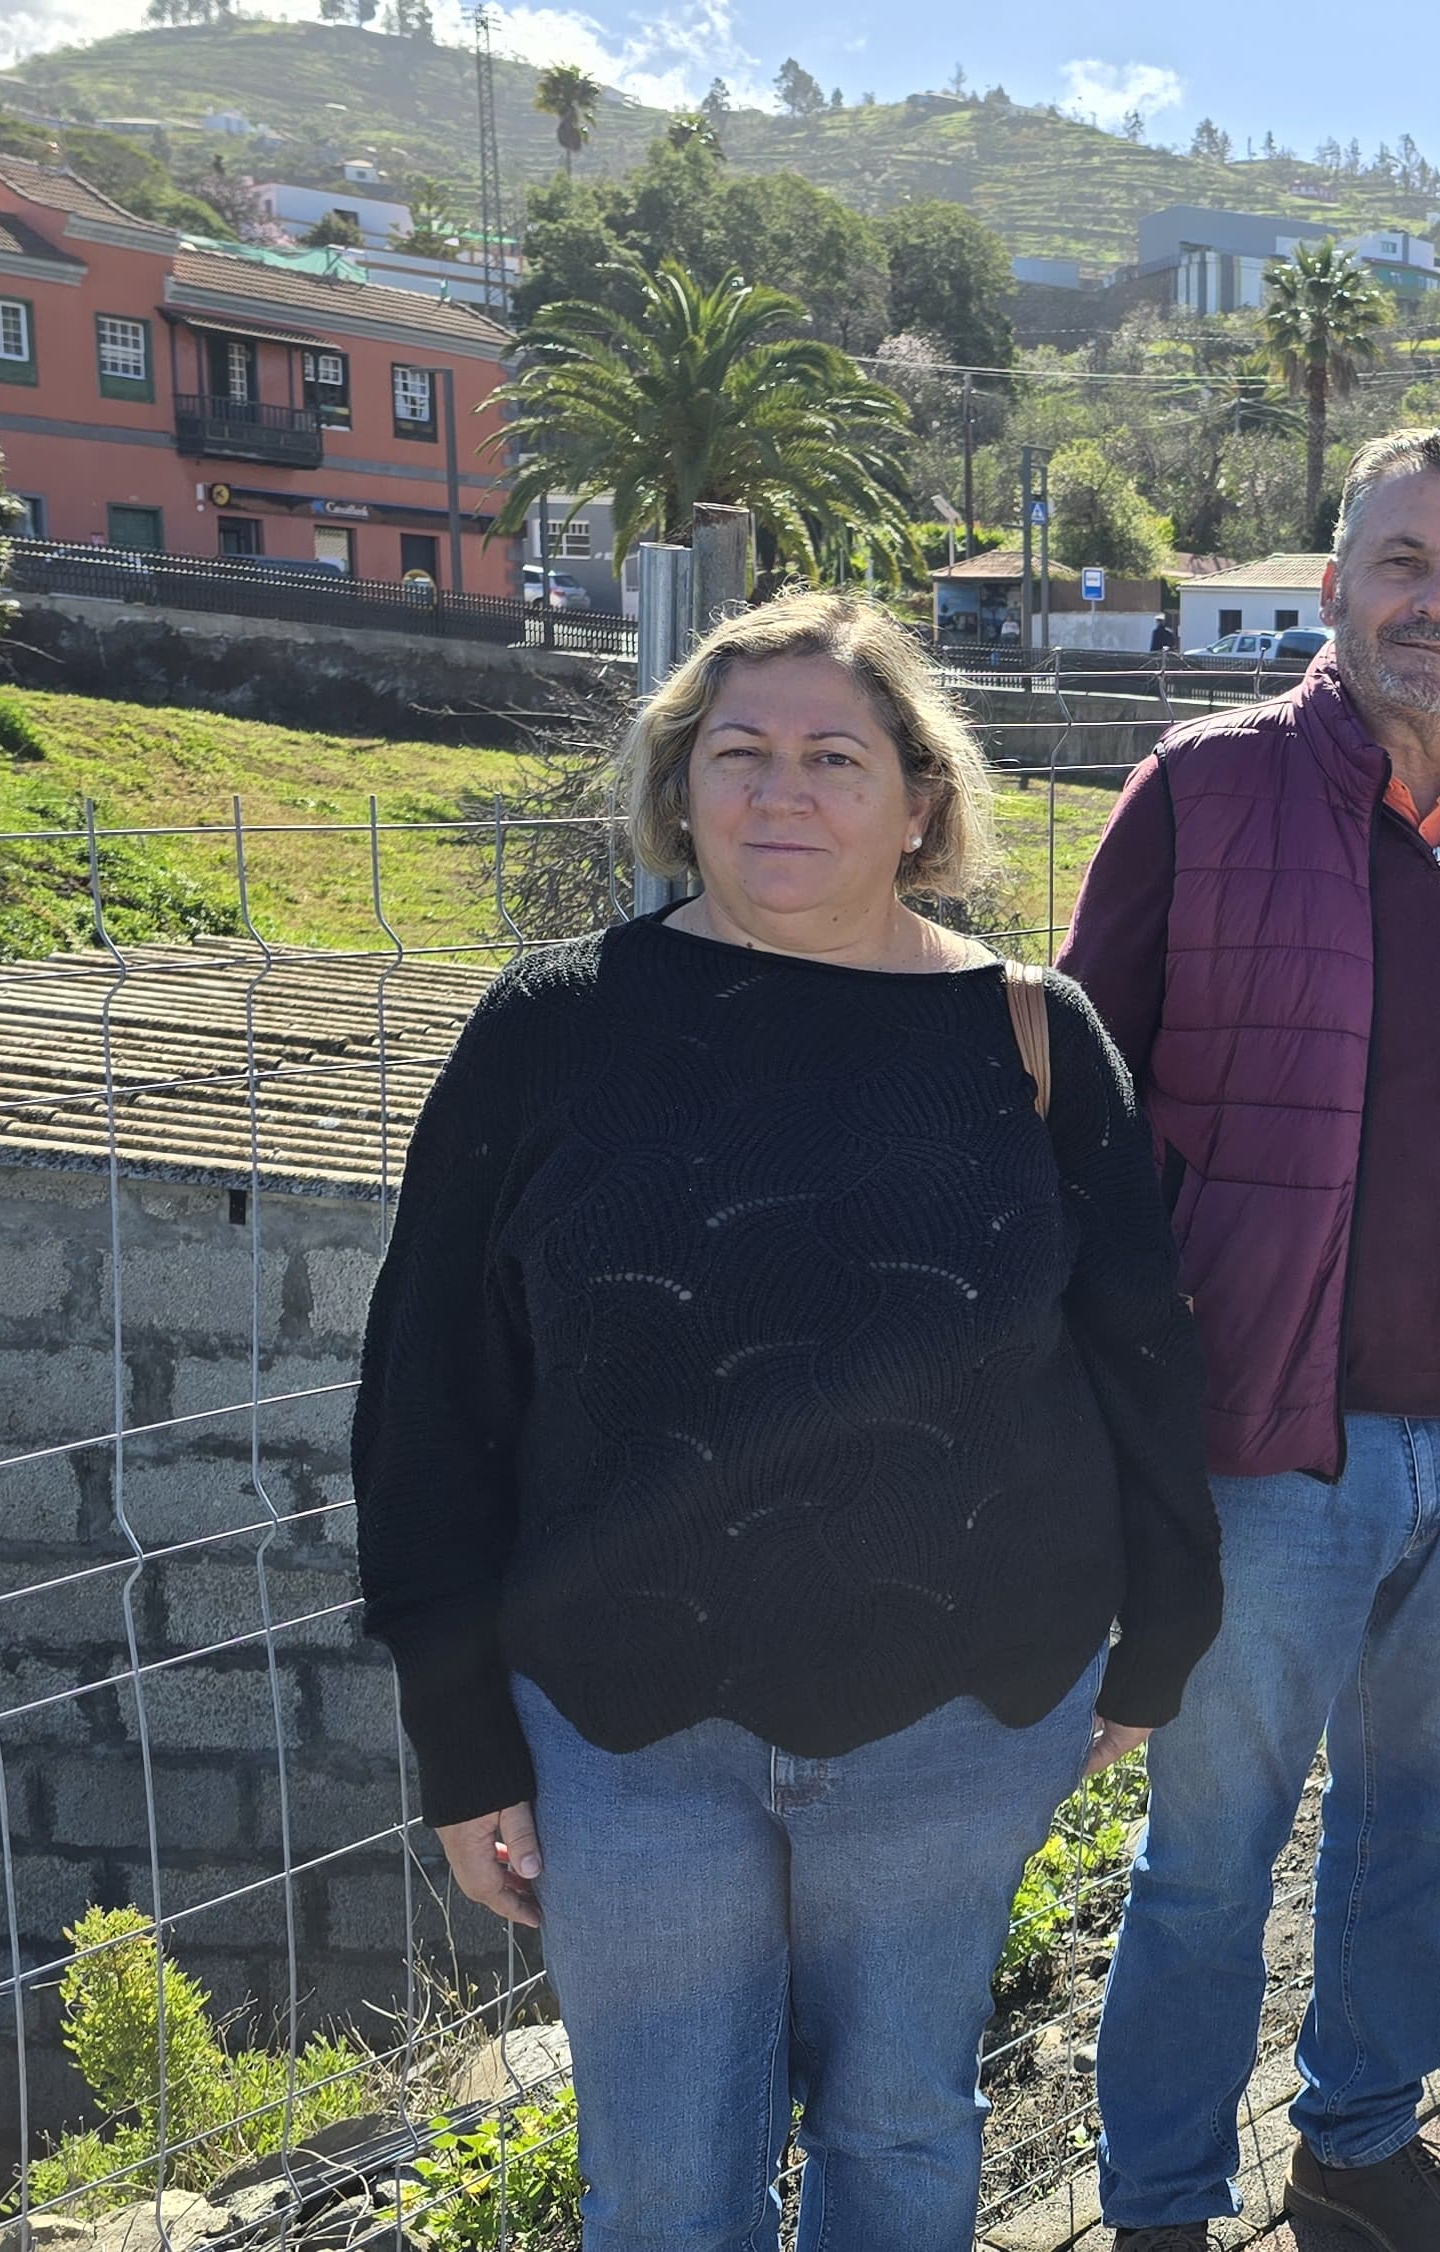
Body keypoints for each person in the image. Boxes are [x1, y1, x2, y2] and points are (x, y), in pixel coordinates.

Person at [351, 593, 1218, 2252]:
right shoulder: (551, 1031)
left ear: (921, 798)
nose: (780, 792)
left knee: (899, 2137)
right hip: (623, 1736)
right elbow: (428, 1398)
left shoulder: (1034, 1041)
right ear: (679, 790)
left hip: (954, 1720)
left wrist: (1163, 1634)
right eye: (736, 754)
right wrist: (459, 1730)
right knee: (667, 2185)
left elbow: (1141, 1356)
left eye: (835, 755)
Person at [1066, 428, 1440, 2252]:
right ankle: (1158, 2203)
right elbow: (1080, 1120)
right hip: (1258, 1450)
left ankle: (1359, 2143)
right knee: (1208, 1862)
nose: (1434, 605)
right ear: (1332, 585)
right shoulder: (1204, 790)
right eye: (1402, 562)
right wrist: (1107, 1424)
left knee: (1413, 1835)